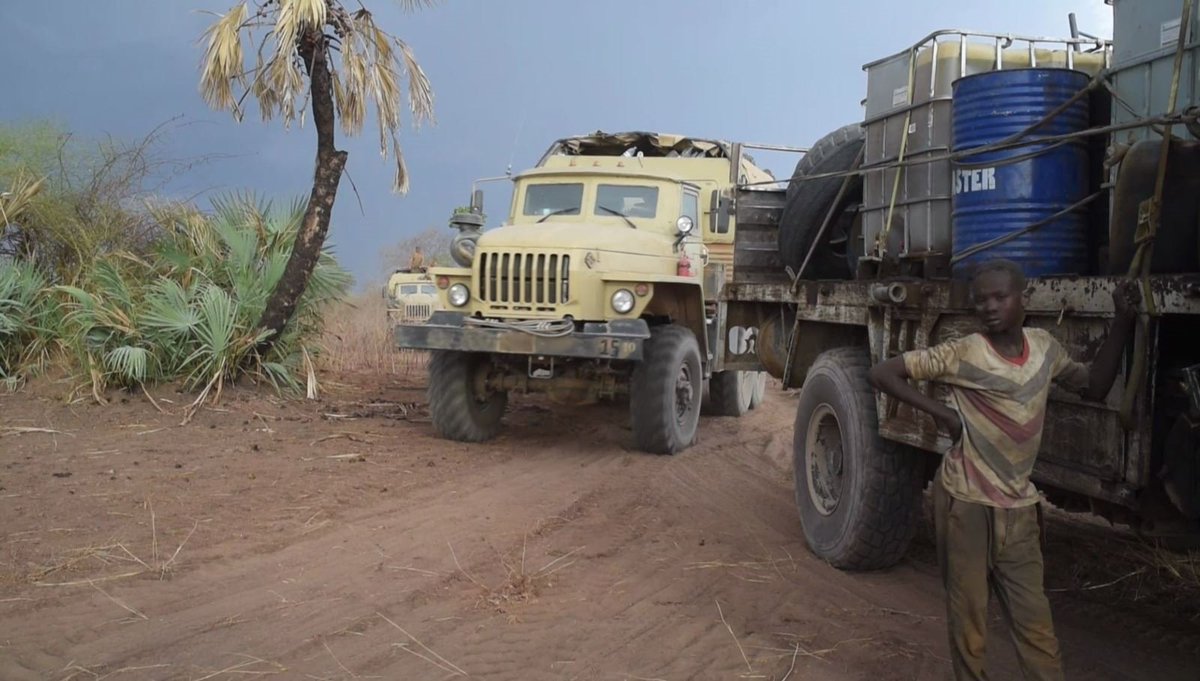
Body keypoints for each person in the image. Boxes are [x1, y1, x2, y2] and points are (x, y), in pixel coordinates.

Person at [868, 259, 1138, 681]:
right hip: (966, 508)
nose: (989, 307)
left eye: (1000, 297)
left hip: (1020, 512)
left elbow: (1096, 385)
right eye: (980, 300)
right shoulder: (965, 352)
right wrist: (942, 413)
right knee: (969, 626)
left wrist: (1123, 320)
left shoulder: (1045, 349)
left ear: (1023, 300)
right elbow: (882, 373)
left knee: (1037, 629)